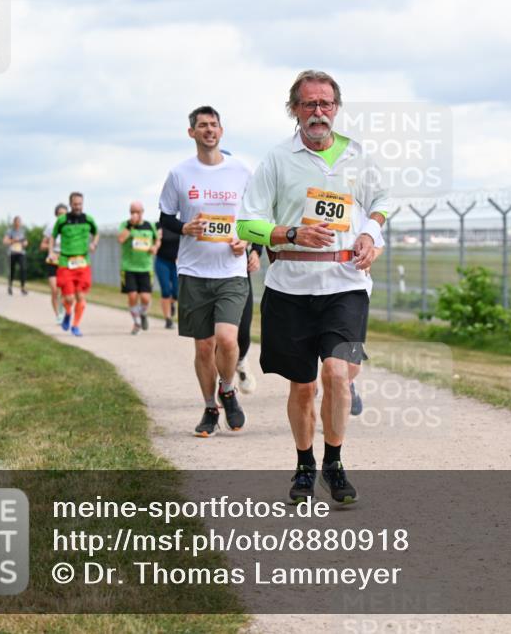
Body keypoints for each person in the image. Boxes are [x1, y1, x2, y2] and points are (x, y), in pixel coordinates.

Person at [237, 70, 391, 505]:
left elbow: (381, 202)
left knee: (337, 373)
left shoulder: (357, 155)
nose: (318, 112)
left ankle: (334, 464)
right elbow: (246, 223)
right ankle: (305, 465)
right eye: (309, 104)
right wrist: (291, 234)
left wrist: (369, 235)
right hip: (291, 286)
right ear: (294, 109)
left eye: (325, 103)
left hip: (346, 284)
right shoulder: (277, 159)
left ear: (336, 108)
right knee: (303, 386)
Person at [158, 105, 250, 437]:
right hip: (194, 271)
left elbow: (255, 216)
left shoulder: (241, 171)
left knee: (227, 340)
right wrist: (184, 228)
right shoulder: (179, 173)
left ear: (221, 131)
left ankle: (228, 388)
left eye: (214, 124)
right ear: (191, 132)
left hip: (231, 271)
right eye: (202, 125)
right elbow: (165, 217)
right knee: (203, 347)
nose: (209, 130)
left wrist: (247, 242)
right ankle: (211, 407)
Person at [51, 192, 98, 337]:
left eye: (80, 204)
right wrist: (51, 252)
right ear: (70, 204)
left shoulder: (88, 219)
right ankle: (67, 313)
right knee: (69, 298)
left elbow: (96, 233)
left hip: (83, 262)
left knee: (81, 296)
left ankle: (75, 326)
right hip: (66, 263)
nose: (78, 207)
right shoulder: (62, 220)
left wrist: (94, 243)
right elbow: (52, 236)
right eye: (75, 204)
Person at [118, 201, 159, 335]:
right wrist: (131, 225)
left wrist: (155, 247)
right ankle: (136, 323)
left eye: (137, 212)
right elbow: (121, 239)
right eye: (132, 212)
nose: (135, 214)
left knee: (146, 298)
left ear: (142, 212)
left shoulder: (149, 225)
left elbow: (157, 240)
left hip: (146, 267)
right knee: (132, 296)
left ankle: (143, 313)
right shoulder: (125, 225)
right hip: (129, 267)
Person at [233, 243, 262, 393]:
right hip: (206, 272)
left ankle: (240, 360)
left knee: (243, 330)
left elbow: (257, 229)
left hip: (239, 271)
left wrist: (256, 251)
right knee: (216, 336)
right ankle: (225, 387)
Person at [40, 204, 68, 323]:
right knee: (55, 290)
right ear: (56, 215)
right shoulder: (51, 227)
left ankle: (62, 311)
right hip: (52, 261)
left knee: (64, 291)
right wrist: (52, 249)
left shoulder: (69, 228)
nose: (62, 216)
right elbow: (42, 245)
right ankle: (58, 315)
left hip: (65, 261)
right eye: (60, 214)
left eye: (64, 214)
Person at [154, 219, 180, 329]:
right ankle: (168, 320)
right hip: (162, 261)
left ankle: (172, 303)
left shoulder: (179, 224)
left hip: (176, 262)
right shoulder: (157, 225)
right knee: (165, 290)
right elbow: (152, 243)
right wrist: (157, 238)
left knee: (176, 291)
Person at [4, 215, 29, 295]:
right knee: (12, 270)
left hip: (21, 253)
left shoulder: (23, 231)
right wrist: (14, 240)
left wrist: (24, 243)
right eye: (17, 222)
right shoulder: (10, 231)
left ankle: (23, 288)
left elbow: (26, 242)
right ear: (14, 223)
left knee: (23, 269)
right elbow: (5, 241)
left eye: (19, 222)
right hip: (12, 253)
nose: (18, 223)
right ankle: (10, 286)